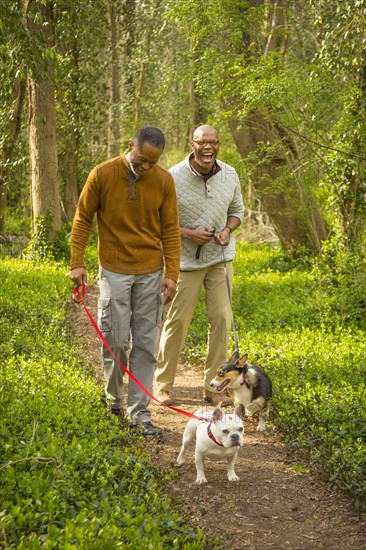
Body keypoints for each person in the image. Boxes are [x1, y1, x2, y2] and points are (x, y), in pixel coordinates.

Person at [69, 125, 181, 437]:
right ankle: (113, 402)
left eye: (152, 163)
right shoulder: (103, 174)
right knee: (116, 339)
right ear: (130, 145)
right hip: (114, 269)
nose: (145, 167)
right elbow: (82, 219)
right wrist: (77, 263)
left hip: (150, 271)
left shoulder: (163, 181)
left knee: (146, 344)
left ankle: (140, 414)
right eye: (141, 159)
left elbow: (171, 229)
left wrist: (171, 274)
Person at [154, 124, 245, 407]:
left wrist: (228, 230)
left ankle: (213, 387)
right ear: (191, 144)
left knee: (221, 320)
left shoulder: (230, 173)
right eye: (202, 142)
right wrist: (189, 233)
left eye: (213, 142)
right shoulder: (173, 176)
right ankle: (163, 384)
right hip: (184, 261)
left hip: (220, 258)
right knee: (177, 320)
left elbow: (237, 212)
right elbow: (159, 220)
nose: (208, 147)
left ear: (218, 145)